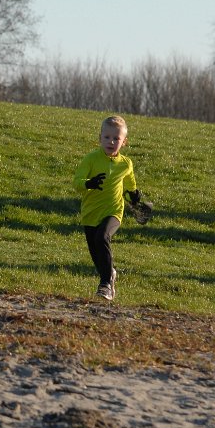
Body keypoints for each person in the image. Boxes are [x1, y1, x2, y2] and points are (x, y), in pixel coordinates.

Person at [72, 115, 141, 301]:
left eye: (116, 138)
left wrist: (134, 196)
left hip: (114, 211)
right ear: (100, 138)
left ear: (124, 142)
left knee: (102, 237)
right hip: (90, 213)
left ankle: (106, 285)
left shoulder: (126, 164)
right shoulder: (91, 159)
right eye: (107, 137)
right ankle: (109, 273)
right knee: (96, 253)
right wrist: (89, 183)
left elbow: (129, 188)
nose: (111, 142)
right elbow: (77, 183)